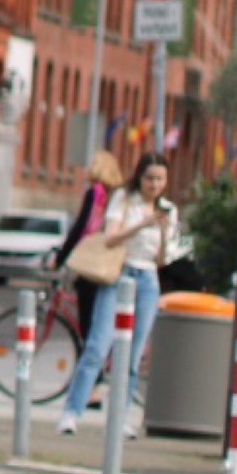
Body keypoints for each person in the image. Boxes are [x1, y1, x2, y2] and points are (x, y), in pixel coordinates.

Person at [58, 154, 174, 437]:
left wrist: (161, 233)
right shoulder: (124, 198)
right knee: (98, 344)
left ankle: (119, 417)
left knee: (133, 355)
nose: (154, 185)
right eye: (150, 178)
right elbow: (110, 238)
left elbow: (161, 260)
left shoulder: (168, 209)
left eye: (160, 179)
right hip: (119, 272)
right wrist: (141, 225)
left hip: (147, 278)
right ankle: (71, 412)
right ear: (139, 177)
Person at [54, 150, 127, 341]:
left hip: (92, 261)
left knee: (87, 319)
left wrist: (60, 258)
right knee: (101, 316)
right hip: (110, 262)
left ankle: (90, 363)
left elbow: (81, 227)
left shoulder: (94, 192)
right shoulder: (114, 196)